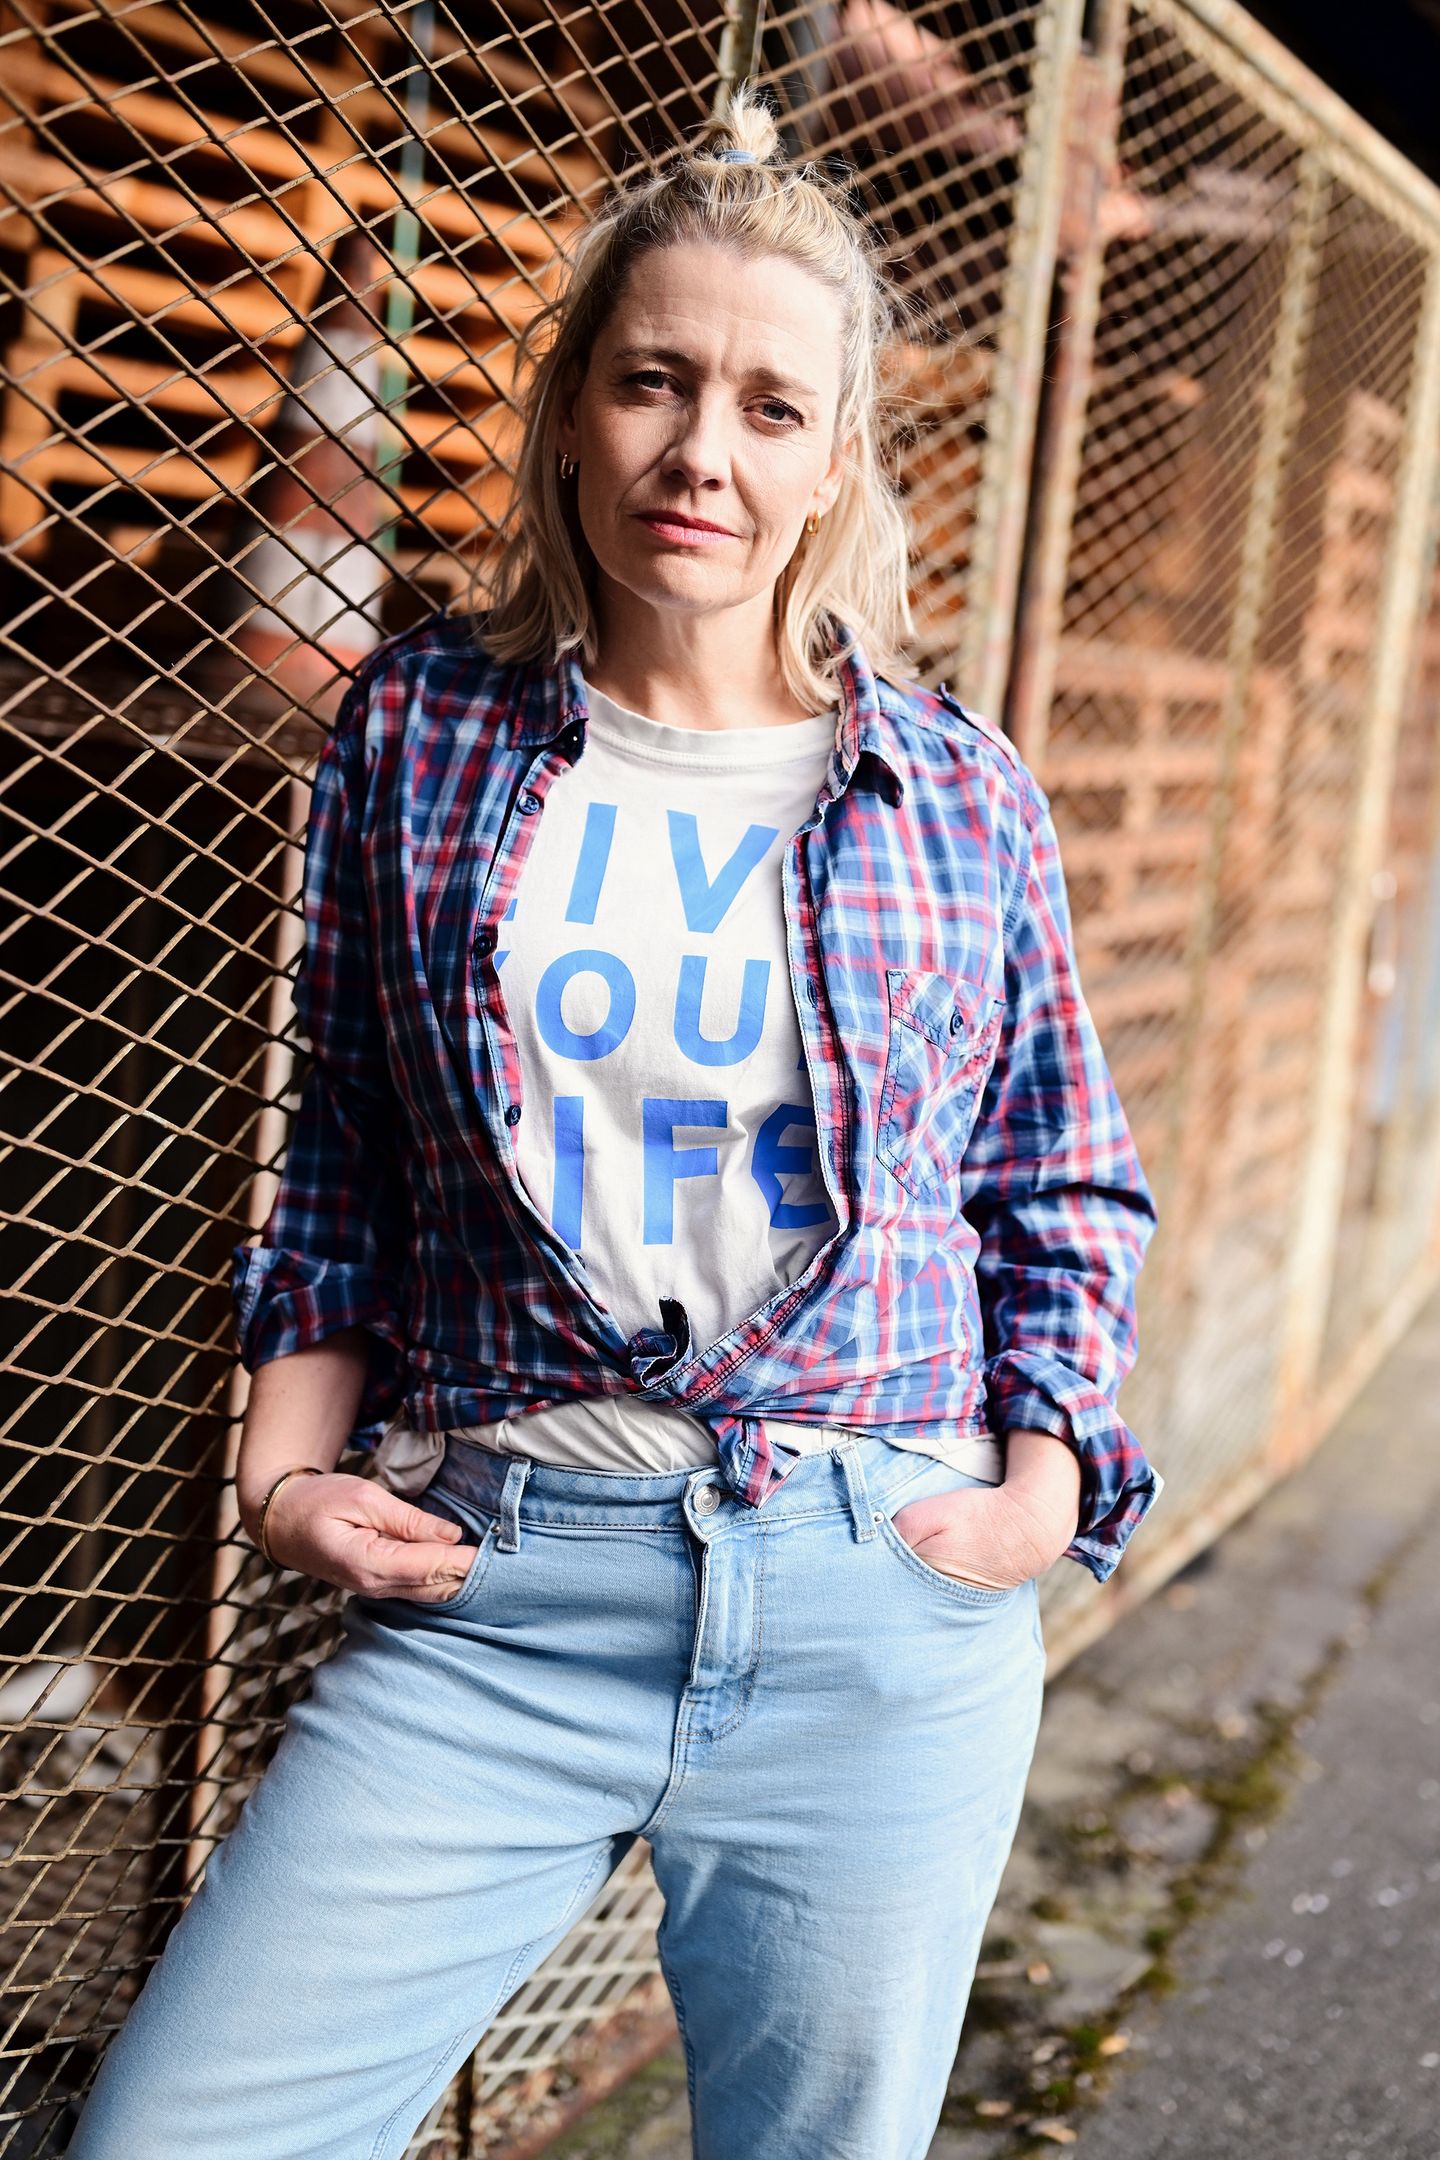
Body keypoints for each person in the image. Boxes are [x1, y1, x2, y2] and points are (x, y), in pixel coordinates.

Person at [68, 80, 1160, 2160]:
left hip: (876, 1595)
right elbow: (342, 1144)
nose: (700, 453)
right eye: (655, 380)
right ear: (573, 405)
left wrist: (1038, 1498)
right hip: (500, 1595)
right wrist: (283, 1473)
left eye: (769, 405)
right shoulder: (422, 728)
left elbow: (1060, 1178)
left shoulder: (957, 790)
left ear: (835, 457)